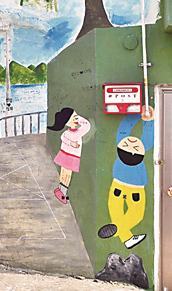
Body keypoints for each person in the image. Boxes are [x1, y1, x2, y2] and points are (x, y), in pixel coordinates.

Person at [98, 106, 154, 249]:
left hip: (117, 184)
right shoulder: (143, 146)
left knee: (115, 210)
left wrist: (138, 115)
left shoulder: (122, 140)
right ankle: (125, 235)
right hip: (136, 188)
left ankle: (123, 235)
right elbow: (148, 138)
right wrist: (148, 120)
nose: (132, 143)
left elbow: (123, 128)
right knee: (136, 214)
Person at [47, 108, 90, 204]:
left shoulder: (79, 131)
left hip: (73, 156)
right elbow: (63, 138)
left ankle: (61, 191)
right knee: (65, 174)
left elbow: (87, 125)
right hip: (66, 154)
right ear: (66, 122)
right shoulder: (67, 133)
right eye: (73, 118)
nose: (76, 119)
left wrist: (77, 117)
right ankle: (62, 192)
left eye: (76, 116)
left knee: (67, 175)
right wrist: (71, 143)